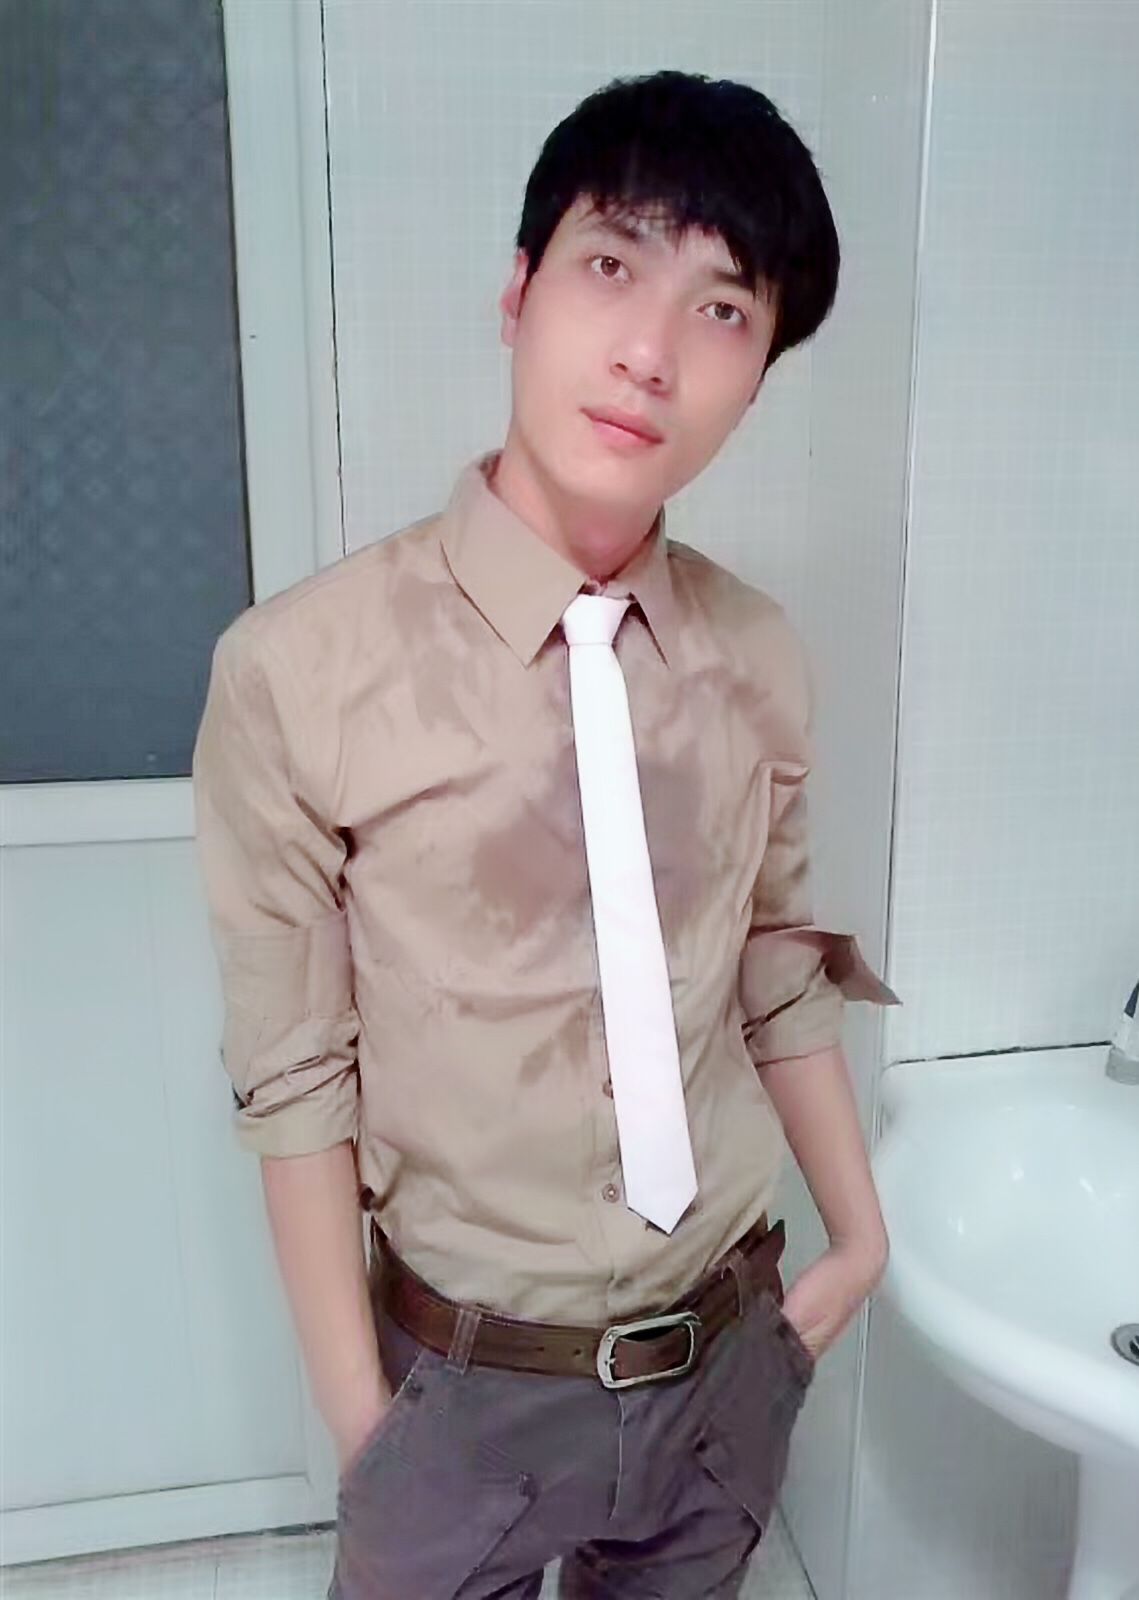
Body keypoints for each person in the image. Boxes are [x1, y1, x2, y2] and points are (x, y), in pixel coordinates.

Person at [192, 67, 900, 1600]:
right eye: (611, 264)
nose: (651, 350)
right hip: (463, 1392)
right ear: (519, 291)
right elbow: (296, 1074)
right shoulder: (298, 672)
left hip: (726, 1354)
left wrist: (858, 1243)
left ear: (758, 376)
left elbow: (776, 964)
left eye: (724, 309)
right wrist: (367, 1435)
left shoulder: (759, 657)